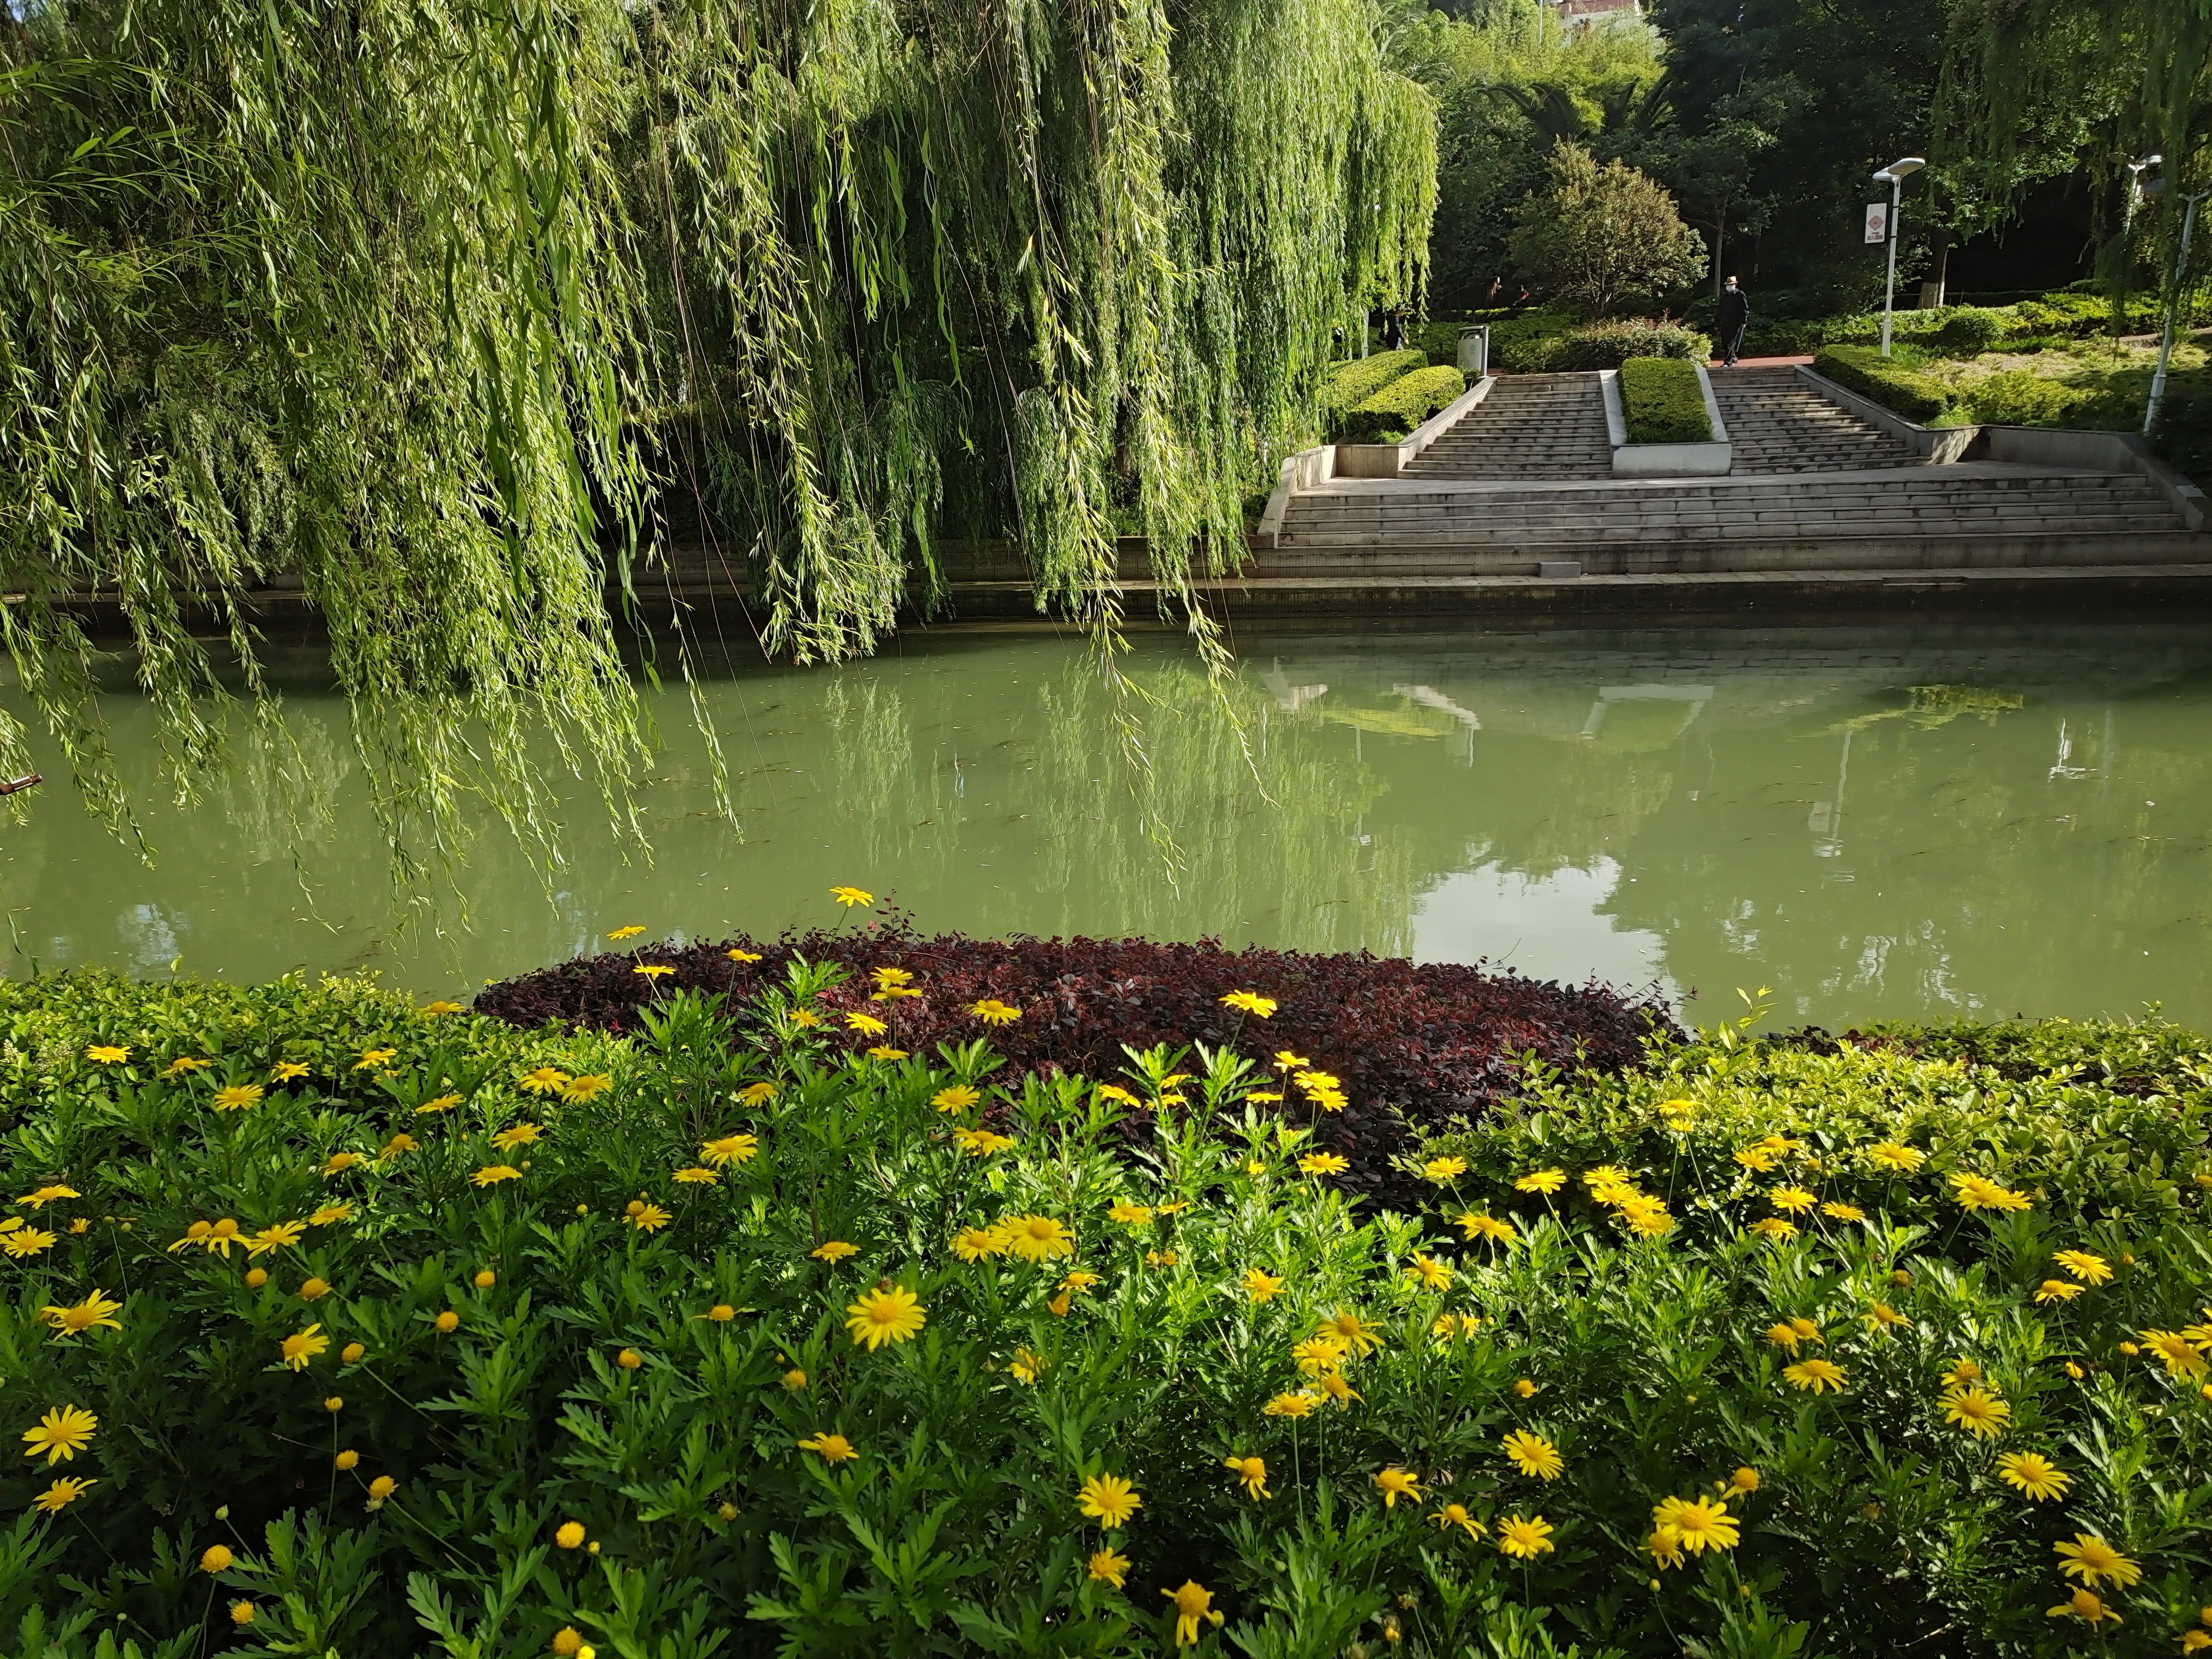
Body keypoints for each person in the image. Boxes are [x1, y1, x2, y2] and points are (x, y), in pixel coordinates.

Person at [1715, 276, 1750, 367]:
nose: (1729, 287)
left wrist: (1744, 321)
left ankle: (1729, 361)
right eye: (1728, 285)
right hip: (1725, 323)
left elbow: (1745, 309)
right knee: (1725, 342)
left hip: (1736, 323)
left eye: (1731, 285)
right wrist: (1717, 323)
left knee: (1731, 342)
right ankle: (1733, 358)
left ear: (1735, 285)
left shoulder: (1740, 295)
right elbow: (1720, 311)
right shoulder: (1724, 297)